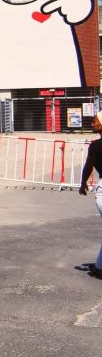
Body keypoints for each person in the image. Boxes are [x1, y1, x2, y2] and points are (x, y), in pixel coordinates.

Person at [77, 112, 102, 280]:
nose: (92, 123)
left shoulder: (95, 146)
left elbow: (88, 167)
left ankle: (100, 267)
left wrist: (83, 183)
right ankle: (99, 266)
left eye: (96, 120)